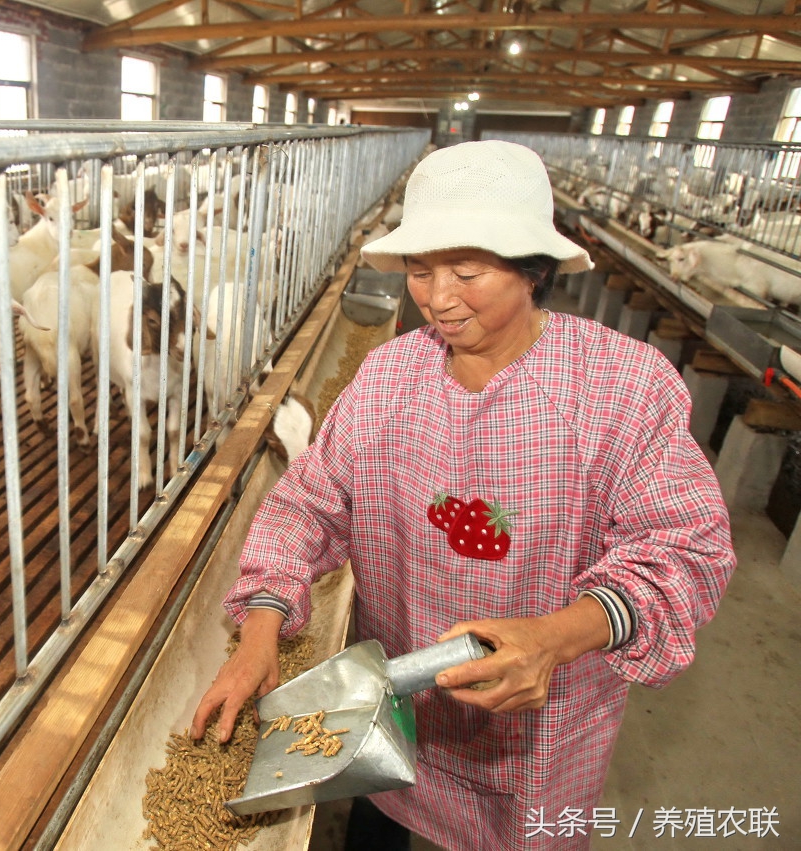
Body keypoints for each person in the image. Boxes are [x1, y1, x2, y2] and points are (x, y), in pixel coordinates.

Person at [190, 139, 736, 850]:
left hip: (539, 723)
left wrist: (556, 635)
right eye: (420, 270)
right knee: (380, 821)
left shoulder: (621, 387)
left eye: (468, 271)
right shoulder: (390, 378)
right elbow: (310, 501)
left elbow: (687, 550)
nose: (437, 297)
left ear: (533, 270)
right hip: (396, 702)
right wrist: (261, 624)